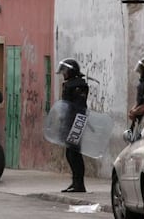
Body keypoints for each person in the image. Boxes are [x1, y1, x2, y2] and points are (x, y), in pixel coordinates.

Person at [56, 58, 89, 193]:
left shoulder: (77, 85)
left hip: (76, 122)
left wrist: (73, 121)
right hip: (70, 121)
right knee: (70, 153)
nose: (63, 74)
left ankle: (79, 184)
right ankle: (75, 182)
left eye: (65, 71)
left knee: (74, 153)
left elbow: (78, 105)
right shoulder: (70, 84)